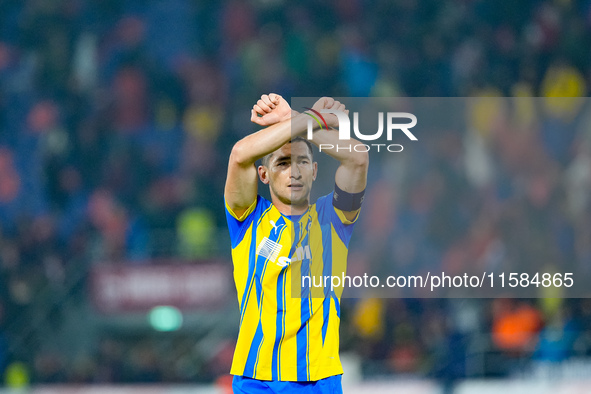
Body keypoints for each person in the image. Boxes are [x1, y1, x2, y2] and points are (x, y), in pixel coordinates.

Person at [224, 93, 369, 393]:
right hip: (256, 379)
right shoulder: (248, 219)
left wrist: (296, 123)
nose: (294, 171)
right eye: (282, 162)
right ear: (263, 174)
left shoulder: (334, 218)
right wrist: (310, 119)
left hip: (318, 379)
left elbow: (358, 157)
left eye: (303, 161)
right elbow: (240, 154)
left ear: (314, 171)